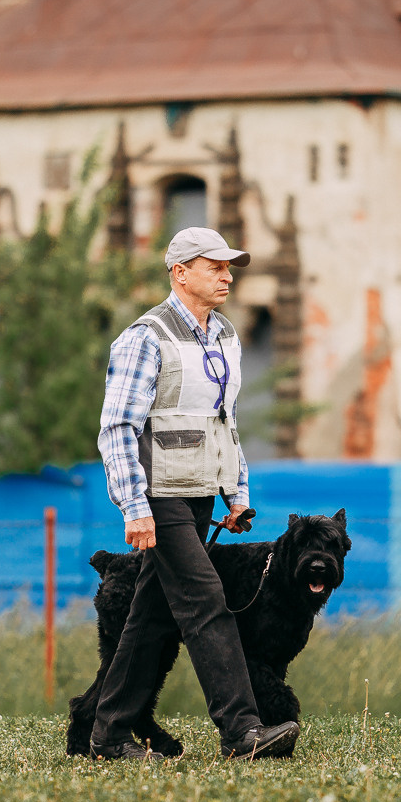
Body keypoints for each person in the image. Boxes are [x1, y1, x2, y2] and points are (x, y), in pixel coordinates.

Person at [89, 226, 300, 761]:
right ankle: (242, 730)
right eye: (215, 267)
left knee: (152, 618)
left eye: (229, 268)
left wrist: (236, 493)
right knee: (207, 599)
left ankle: (108, 734)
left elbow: (225, 423)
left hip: (201, 493)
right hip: (158, 495)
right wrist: (134, 507)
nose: (227, 277)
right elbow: (117, 428)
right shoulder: (145, 337)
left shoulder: (225, 335)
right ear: (180, 273)